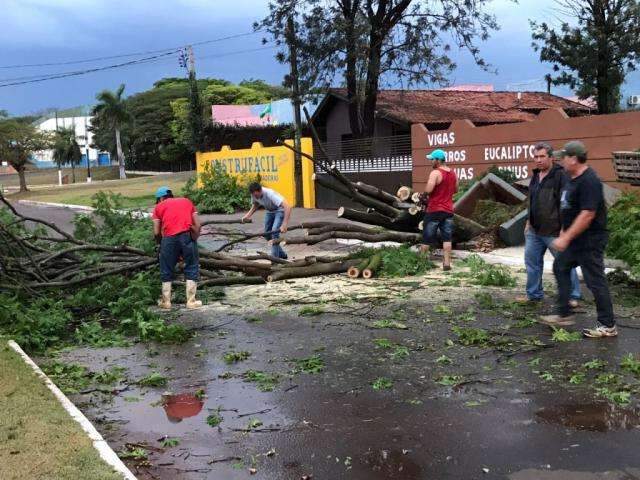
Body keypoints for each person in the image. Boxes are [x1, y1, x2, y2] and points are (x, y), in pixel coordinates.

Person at [540, 141, 616, 338]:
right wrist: (565, 232)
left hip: (590, 240)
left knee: (595, 281)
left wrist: (566, 238)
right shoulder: (570, 178)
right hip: (575, 240)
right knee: (560, 267)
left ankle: (607, 325)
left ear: (573, 159)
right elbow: (569, 209)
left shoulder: (590, 181)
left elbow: (587, 215)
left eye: (563, 157)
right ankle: (564, 314)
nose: (560, 161)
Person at [517, 142, 581, 305]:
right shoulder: (535, 176)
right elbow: (532, 201)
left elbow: (566, 203)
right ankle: (533, 295)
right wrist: (527, 222)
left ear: (551, 157)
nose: (538, 160)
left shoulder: (561, 175)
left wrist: (565, 229)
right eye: (536, 157)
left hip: (554, 230)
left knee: (564, 263)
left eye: (542, 156)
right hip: (534, 230)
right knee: (531, 262)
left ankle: (573, 296)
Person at [152, 186, 202, 310]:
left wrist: (160, 244)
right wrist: (194, 238)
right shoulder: (187, 201)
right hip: (187, 235)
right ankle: (191, 301)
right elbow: (198, 224)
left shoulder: (158, 207)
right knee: (191, 265)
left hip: (169, 238)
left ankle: (166, 302)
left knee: (166, 267)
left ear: (161, 198)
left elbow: (156, 232)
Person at [420, 149, 458, 271]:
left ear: (438, 160)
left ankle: (421, 263)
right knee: (447, 238)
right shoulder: (453, 173)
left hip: (434, 209)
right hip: (448, 210)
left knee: (427, 237)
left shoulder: (435, 173)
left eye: (432, 159)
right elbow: (456, 190)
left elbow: (429, 189)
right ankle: (447, 264)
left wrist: (423, 195)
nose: (431, 161)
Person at [242, 182, 292, 259]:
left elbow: (287, 206)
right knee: (267, 234)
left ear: (260, 190)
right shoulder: (254, 195)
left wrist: (284, 224)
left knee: (274, 232)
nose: (255, 197)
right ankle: (282, 254)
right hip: (270, 211)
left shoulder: (270, 194)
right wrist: (247, 216)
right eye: (254, 195)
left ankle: (274, 259)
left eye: (256, 195)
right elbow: (256, 204)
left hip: (280, 210)